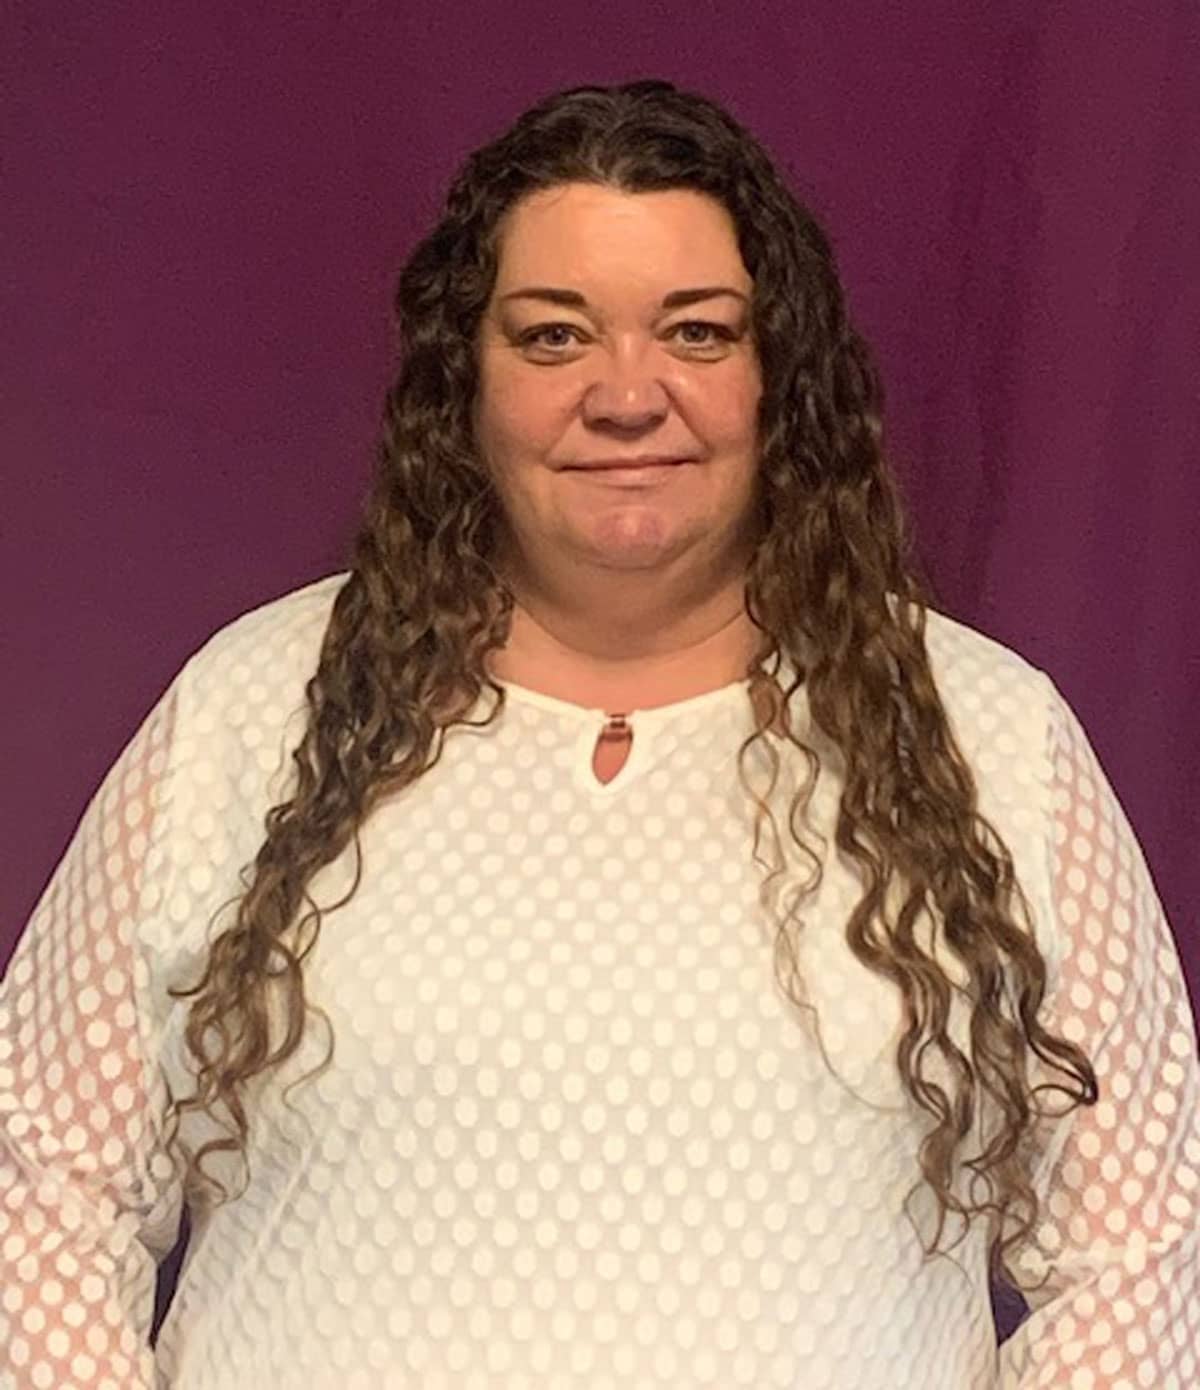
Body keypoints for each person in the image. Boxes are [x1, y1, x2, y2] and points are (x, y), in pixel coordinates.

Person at [1, 78, 1196, 1390]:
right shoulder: (250, 711)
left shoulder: (993, 742)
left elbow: (1137, 1249)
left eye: (697, 331)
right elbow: (39, 1180)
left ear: (779, 376)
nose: (628, 395)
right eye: (555, 336)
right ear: (467, 381)